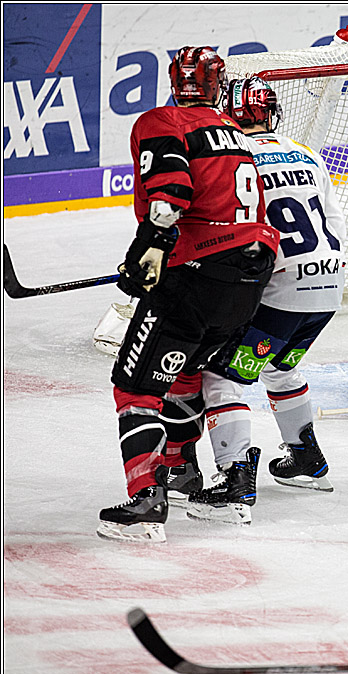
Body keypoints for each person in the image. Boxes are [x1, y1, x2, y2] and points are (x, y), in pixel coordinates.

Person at [97, 47, 278, 544]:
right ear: (217, 85)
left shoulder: (162, 120)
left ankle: (147, 498)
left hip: (198, 274)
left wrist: (150, 248)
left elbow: (170, 192)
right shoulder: (234, 132)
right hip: (249, 276)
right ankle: (181, 473)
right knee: (186, 374)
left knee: (135, 387)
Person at [186, 77, 346, 525]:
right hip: (327, 287)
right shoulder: (305, 153)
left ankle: (234, 482)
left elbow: (228, 233)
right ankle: (306, 459)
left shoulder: (235, 161)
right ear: (271, 113)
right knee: (279, 364)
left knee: (222, 376)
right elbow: (335, 221)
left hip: (279, 291)